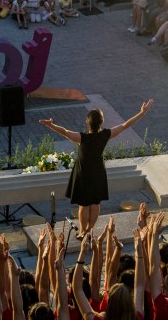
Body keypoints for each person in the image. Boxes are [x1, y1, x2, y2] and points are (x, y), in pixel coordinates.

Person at [39, 100, 153, 235]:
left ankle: (82, 232)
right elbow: (125, 125)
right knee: (95, 203)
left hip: (83, 173)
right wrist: (142, 112)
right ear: (101, 122)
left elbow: (64, 131)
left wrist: (51, 125)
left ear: (87, 122)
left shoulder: (82, 138)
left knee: (84, 205)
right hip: (98, 171)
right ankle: (90, 230)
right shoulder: (105, 135)